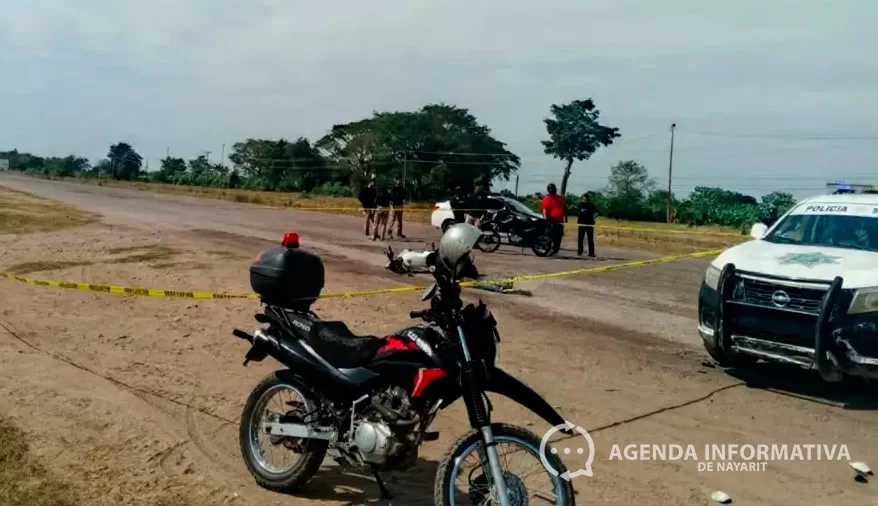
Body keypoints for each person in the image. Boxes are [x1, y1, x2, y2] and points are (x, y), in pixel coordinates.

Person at [540, 183, 566, 256]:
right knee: (550, 236)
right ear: (548, 191)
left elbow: (564, 208)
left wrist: (565, 218)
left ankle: (555, 250)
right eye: (551, 190)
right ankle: (547, 249)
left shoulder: (560, 198)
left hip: (560, 221)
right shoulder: (546, 199)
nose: (552, 192)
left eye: (554, 190)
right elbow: (544, 210)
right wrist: (546, 220)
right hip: (551, 221)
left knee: (559, 237)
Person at [575, 193, 600, 257]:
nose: (585, 200)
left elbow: (598, 212)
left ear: (588, 199)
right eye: (584, 199)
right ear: (582, 199)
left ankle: (591, 253)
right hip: (581, 223)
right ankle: (579, 252)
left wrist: (593, 217)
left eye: (586, 199)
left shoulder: (590, 205)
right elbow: (576, 212)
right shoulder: (579, 205)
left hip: (589, 224)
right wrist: (581, 211)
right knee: (580, 239)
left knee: (590, 239)